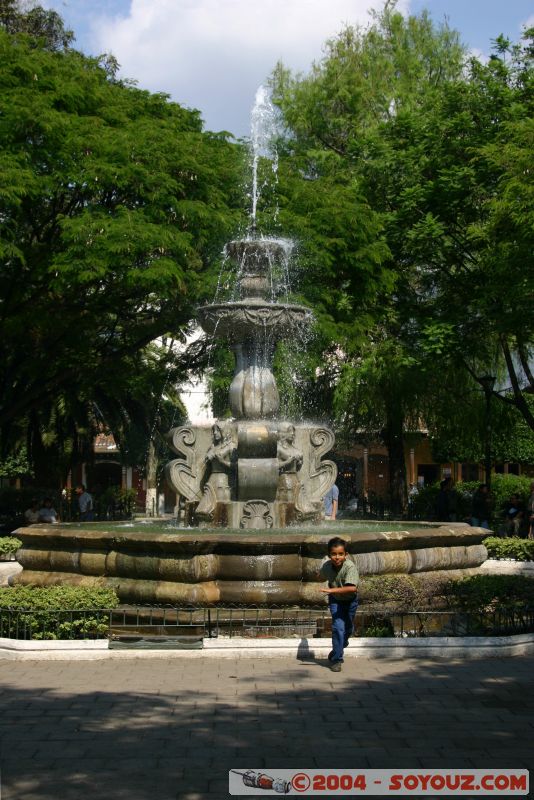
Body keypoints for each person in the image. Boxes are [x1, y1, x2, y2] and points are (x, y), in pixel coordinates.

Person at [319, 537, 359, 672]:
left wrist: (331, 590)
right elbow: (321, 575)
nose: (337, 557)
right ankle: (337, 659)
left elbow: (352, 588)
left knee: (348, 629)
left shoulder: (350, 567)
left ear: (345, 555)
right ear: (329, 555)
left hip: (350, 601)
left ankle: (341, 644)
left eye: (340, 554)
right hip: (336, 601)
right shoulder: (326, 566)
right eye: (334, 554)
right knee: (338, 628)